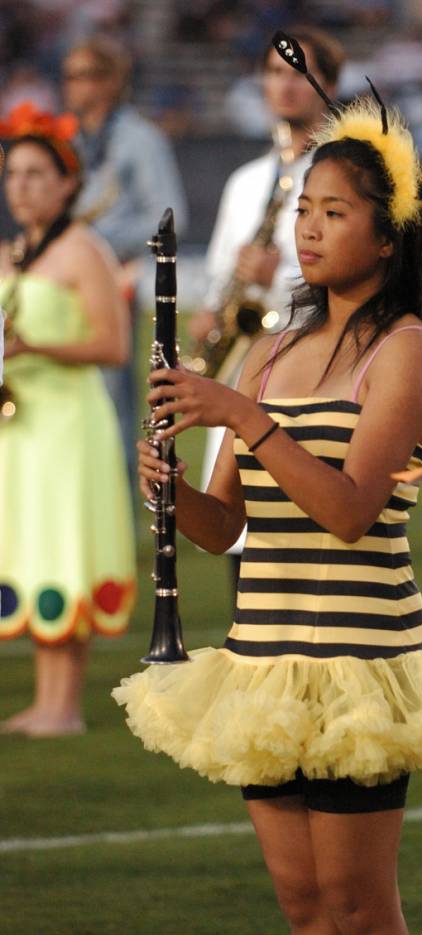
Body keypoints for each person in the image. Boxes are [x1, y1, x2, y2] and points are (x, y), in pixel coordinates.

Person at [113, 79, 422, 935]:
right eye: (304, 209)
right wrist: (170, 493)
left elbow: (349, 511)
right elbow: (227, 529)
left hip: (359, 660)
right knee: (302, 904)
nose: (308, 229)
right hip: (265, 662)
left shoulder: (408, 350)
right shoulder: (269, 349)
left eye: (335, 213)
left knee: (359, 904)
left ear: (387, 236)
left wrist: (241, 415)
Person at [187, 27, 345, 598]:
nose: (284, 85)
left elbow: (352, 273)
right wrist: (209, 313)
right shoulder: (246, 180)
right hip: (245, 367)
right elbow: (221, 273)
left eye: (299, 72)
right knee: (241, 528)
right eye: (275, 72)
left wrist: (276, 277)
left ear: (328, 85)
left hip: (315, 364)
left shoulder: (344, 176)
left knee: (307, 528)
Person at [0, 102, 135, 737]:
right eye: (13, 174)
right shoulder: (13, 252)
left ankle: (66, 705)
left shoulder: (85, 250)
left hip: (68, 423)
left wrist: (33, 349)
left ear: (67, 183)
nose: (20, 186)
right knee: (32, 549)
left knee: (65, 548)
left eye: (34, 173)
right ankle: (44, 701)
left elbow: (114, 346)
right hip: (21, 427)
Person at [62, 35, 189, 492]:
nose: (74, 86)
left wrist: (92, 245)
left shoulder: (140, 139)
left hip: (112, 281)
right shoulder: (69, 139)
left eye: (86, 75)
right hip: (63, 286)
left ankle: (117, 507)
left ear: (113, 80)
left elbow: (171, 213)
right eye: (70, 75)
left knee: (111, 399)